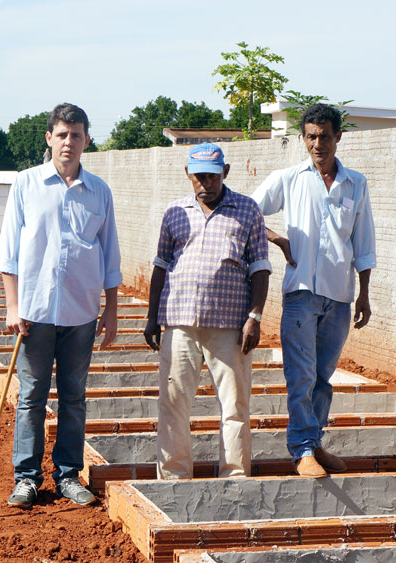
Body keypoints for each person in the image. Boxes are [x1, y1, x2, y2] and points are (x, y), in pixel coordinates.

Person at [0, 103, 122, 508]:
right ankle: (26, 479)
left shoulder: (99, 192)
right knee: (32, 396)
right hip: (33, 313)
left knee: (74, 396)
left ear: (87, 140)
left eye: (77, 135)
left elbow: (110, 254)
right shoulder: (26, 184)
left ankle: (68, 475)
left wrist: (112, 310)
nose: (69, 142)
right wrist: (12, 306)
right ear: (49, 138)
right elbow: (9, 250)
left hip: (81, 313)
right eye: (62, 134)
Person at [251, 104, 376, 478]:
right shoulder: (289, 179)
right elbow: (246, 211)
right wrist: (276, 239)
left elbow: (363, 241)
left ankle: (315, 442)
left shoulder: (355, 183)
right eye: (311, 136)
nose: (317, 143)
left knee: (322, 378)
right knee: (301, 376)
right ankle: (302, 449)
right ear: (303, 138)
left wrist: (364, 293)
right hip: (301, 294)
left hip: (339, 296)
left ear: (338, 136)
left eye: (324, 135)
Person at [144, 142, 271, 480]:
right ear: (188, 174)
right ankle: (173, 478)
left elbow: (260, 267)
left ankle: (234, 477)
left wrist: (254, 318)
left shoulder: (247, 210)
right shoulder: (174, 211)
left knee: (234, 407)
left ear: (225, 173)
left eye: (213, 176)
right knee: (173, 405)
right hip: (179, 321)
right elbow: (160, 266)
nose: (206, 183)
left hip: (229, 325)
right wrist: (151, 317)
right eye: (199, 176)